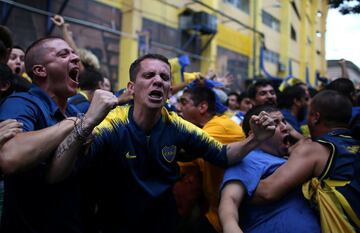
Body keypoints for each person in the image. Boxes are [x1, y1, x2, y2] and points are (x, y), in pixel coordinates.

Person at [48, 53, 276, 233]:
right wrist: (86, 123)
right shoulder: (112, 124)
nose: (157, 80)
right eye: (148, 76)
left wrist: (254, 139)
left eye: (164, 78)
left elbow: (224, 154)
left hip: (163, 223)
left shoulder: (177, 125)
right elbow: (57, 172)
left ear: (169, 91)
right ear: (131, 88)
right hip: (115, 224)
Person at [0, 36, 118, 233]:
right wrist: (76, 123)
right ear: (40, 70)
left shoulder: (73, 111)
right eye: (64, 54)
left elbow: (55, 175)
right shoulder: (22, 103)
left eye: (74, 54)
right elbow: (10, 158)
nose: (75, 59)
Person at [251, 90, 360, 232]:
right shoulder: (355, 143)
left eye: (309, 113)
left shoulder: (315, 149)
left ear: (315, 117)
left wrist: (232, 187)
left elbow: (266, 192)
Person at [219, 104, 320, 233]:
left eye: (284, 121)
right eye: (275, 123)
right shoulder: (249, 159)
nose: (285, 127)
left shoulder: (289, 158)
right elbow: (230, 200)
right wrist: (231, 228)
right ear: (254, 133)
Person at [176, 85, 246, 233]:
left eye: (183, 102)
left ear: (202, 107)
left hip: (231, 216)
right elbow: (180, 164)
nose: (178, 107)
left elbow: (182, 152)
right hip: (215, 211)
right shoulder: (205, 129)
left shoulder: (220, 127)